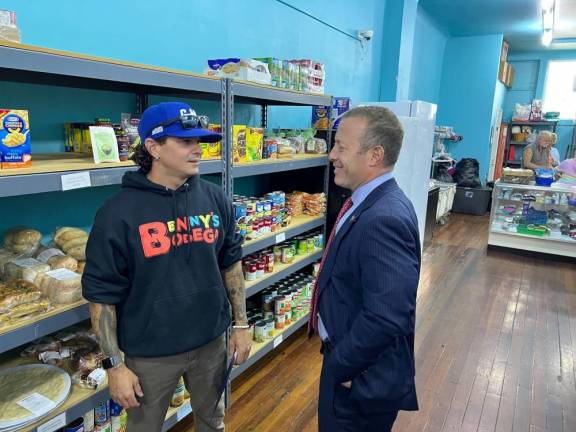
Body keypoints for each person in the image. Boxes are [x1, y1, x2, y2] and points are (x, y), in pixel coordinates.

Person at [82, 102, 252, 432]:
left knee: (213, 421)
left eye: (199, 142)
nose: (197, 150)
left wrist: (241, 325)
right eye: (184, 142)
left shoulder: (216, 199)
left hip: (211, 343)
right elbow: (101, 295)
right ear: (153, 147)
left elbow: (230, 263)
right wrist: (115, 365)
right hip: (150, 355)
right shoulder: (117, 213)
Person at [309, 106, 420, 432]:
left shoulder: (383, 218)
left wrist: (340, 367)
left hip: (359, 381)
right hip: (353, 368)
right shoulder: (369, 202)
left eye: (341, 146)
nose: (332, 155)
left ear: (374, 155)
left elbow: (387, 315)